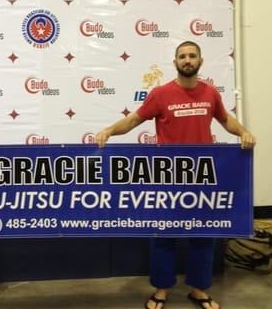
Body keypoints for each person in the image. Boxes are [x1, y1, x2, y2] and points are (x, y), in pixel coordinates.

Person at [96, 41, 256, 309]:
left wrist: (244, 132)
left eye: (192, 55)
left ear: (200, 61)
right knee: (163, 236)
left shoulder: (210, 93)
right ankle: (161, 290)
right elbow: (134, 119)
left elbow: (226, 120)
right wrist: (109, 131)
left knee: (203, 236)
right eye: (182, 56)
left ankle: (199, 289)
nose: (187, 60)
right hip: (167, 178)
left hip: (203, 178)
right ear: (175, 62)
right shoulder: (161, 94)